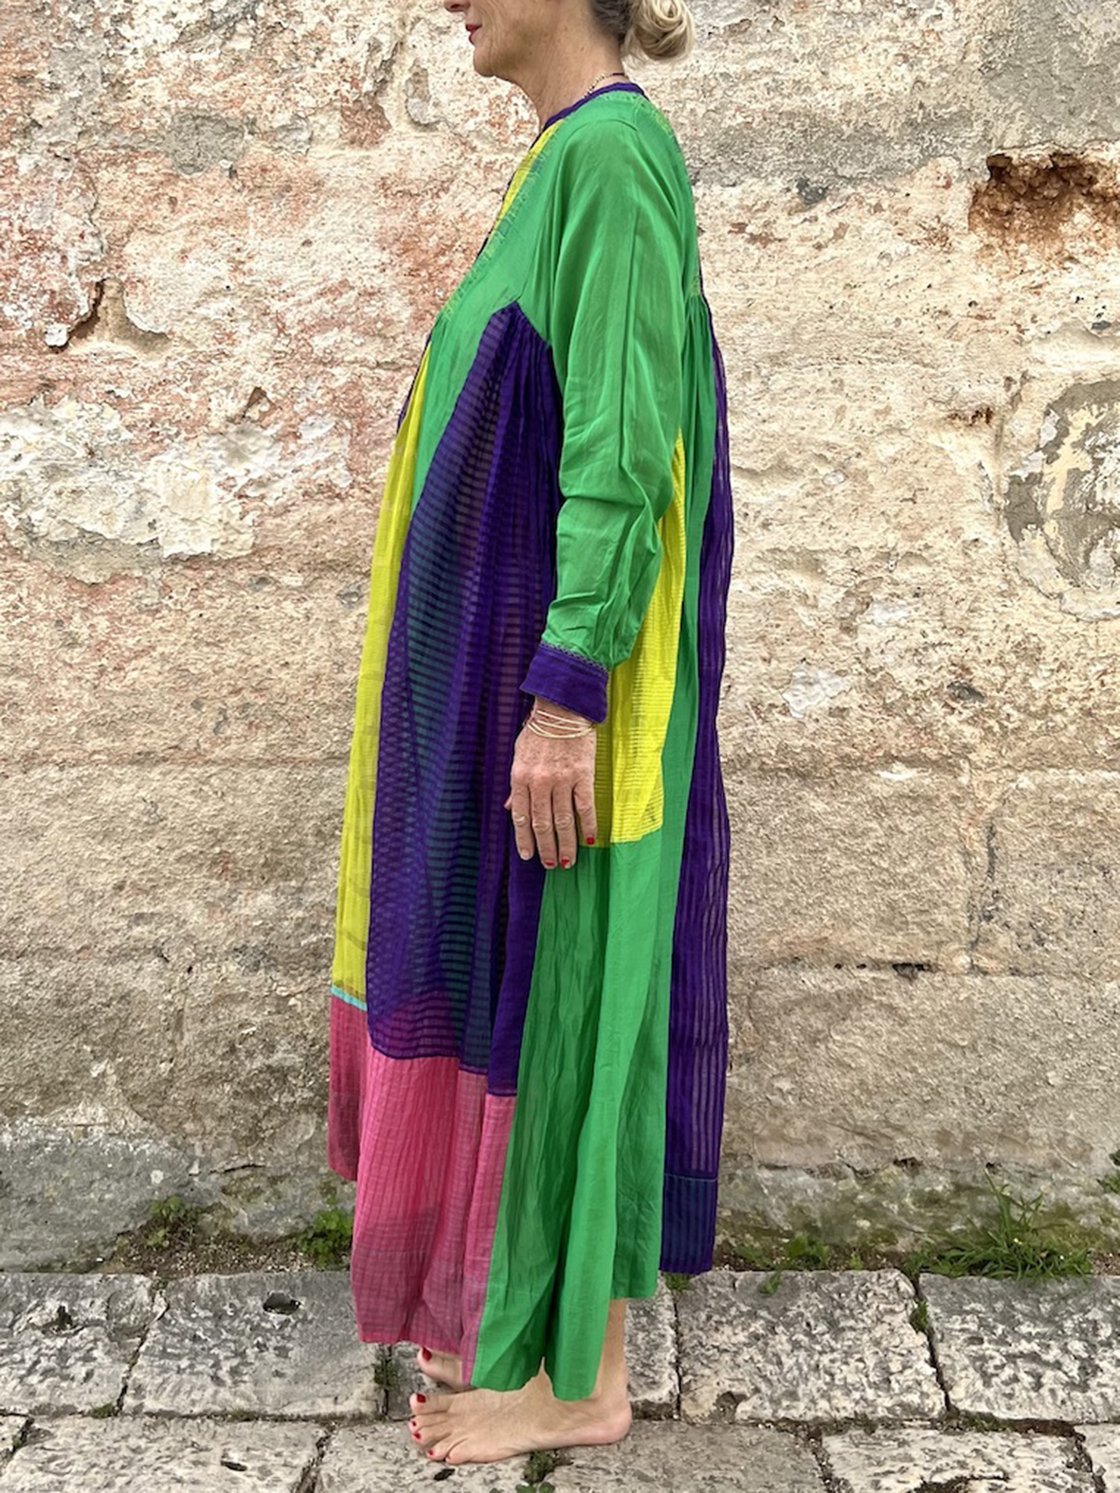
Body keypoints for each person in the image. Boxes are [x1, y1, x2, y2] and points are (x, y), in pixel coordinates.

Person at [325, 0, 733, 1465]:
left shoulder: (612, 158)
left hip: (566, 700)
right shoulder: (563, 156)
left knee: (578, 986)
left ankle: (584, 1383)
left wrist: (566, 695)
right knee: (528, 984)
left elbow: (622, 449)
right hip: (501, 683)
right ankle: (528, 1330)